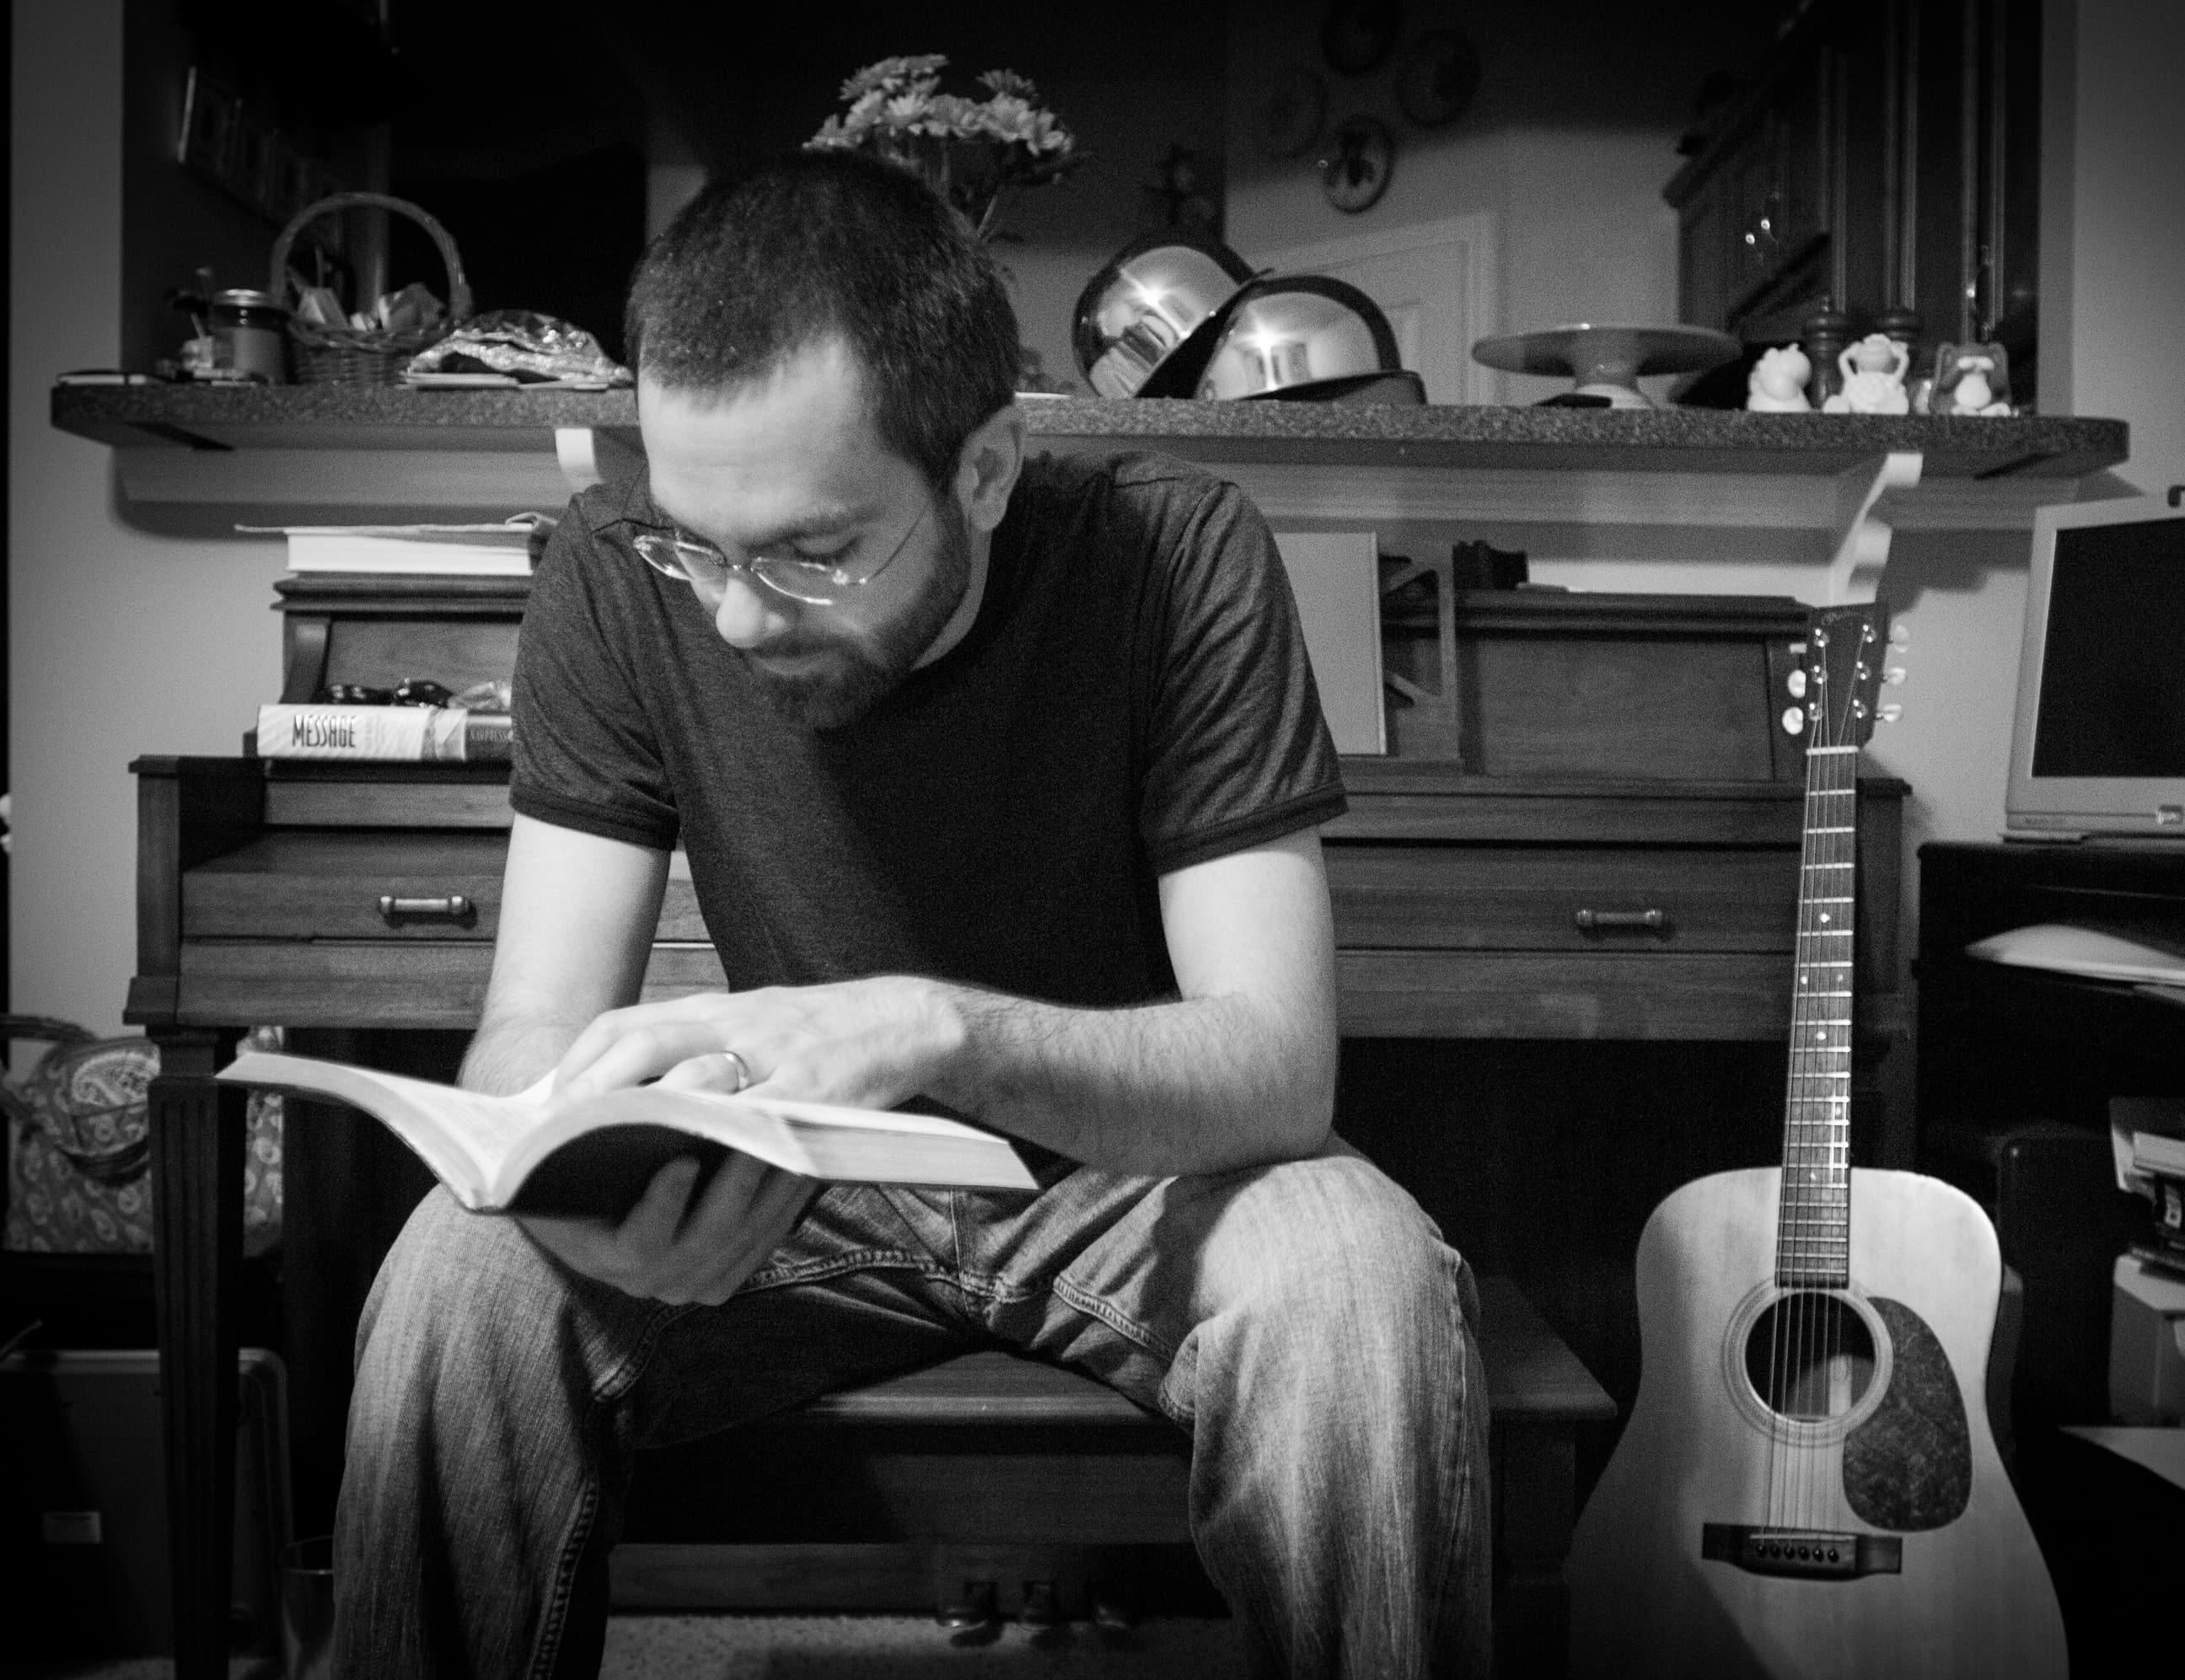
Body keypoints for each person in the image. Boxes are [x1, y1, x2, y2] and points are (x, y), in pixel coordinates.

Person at [335, 148, 1490, 1678]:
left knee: (1363, 1282)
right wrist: (578, 1163)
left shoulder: (1182, 552)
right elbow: (525, 1032)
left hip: (1140, 1178)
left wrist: (927, 1027)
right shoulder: (618, 584)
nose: (739, 615)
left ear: (988, 470)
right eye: (701, 543)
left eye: (815, 553)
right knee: (449, 1276)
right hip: (794, 1193)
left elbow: (1277, 1071)